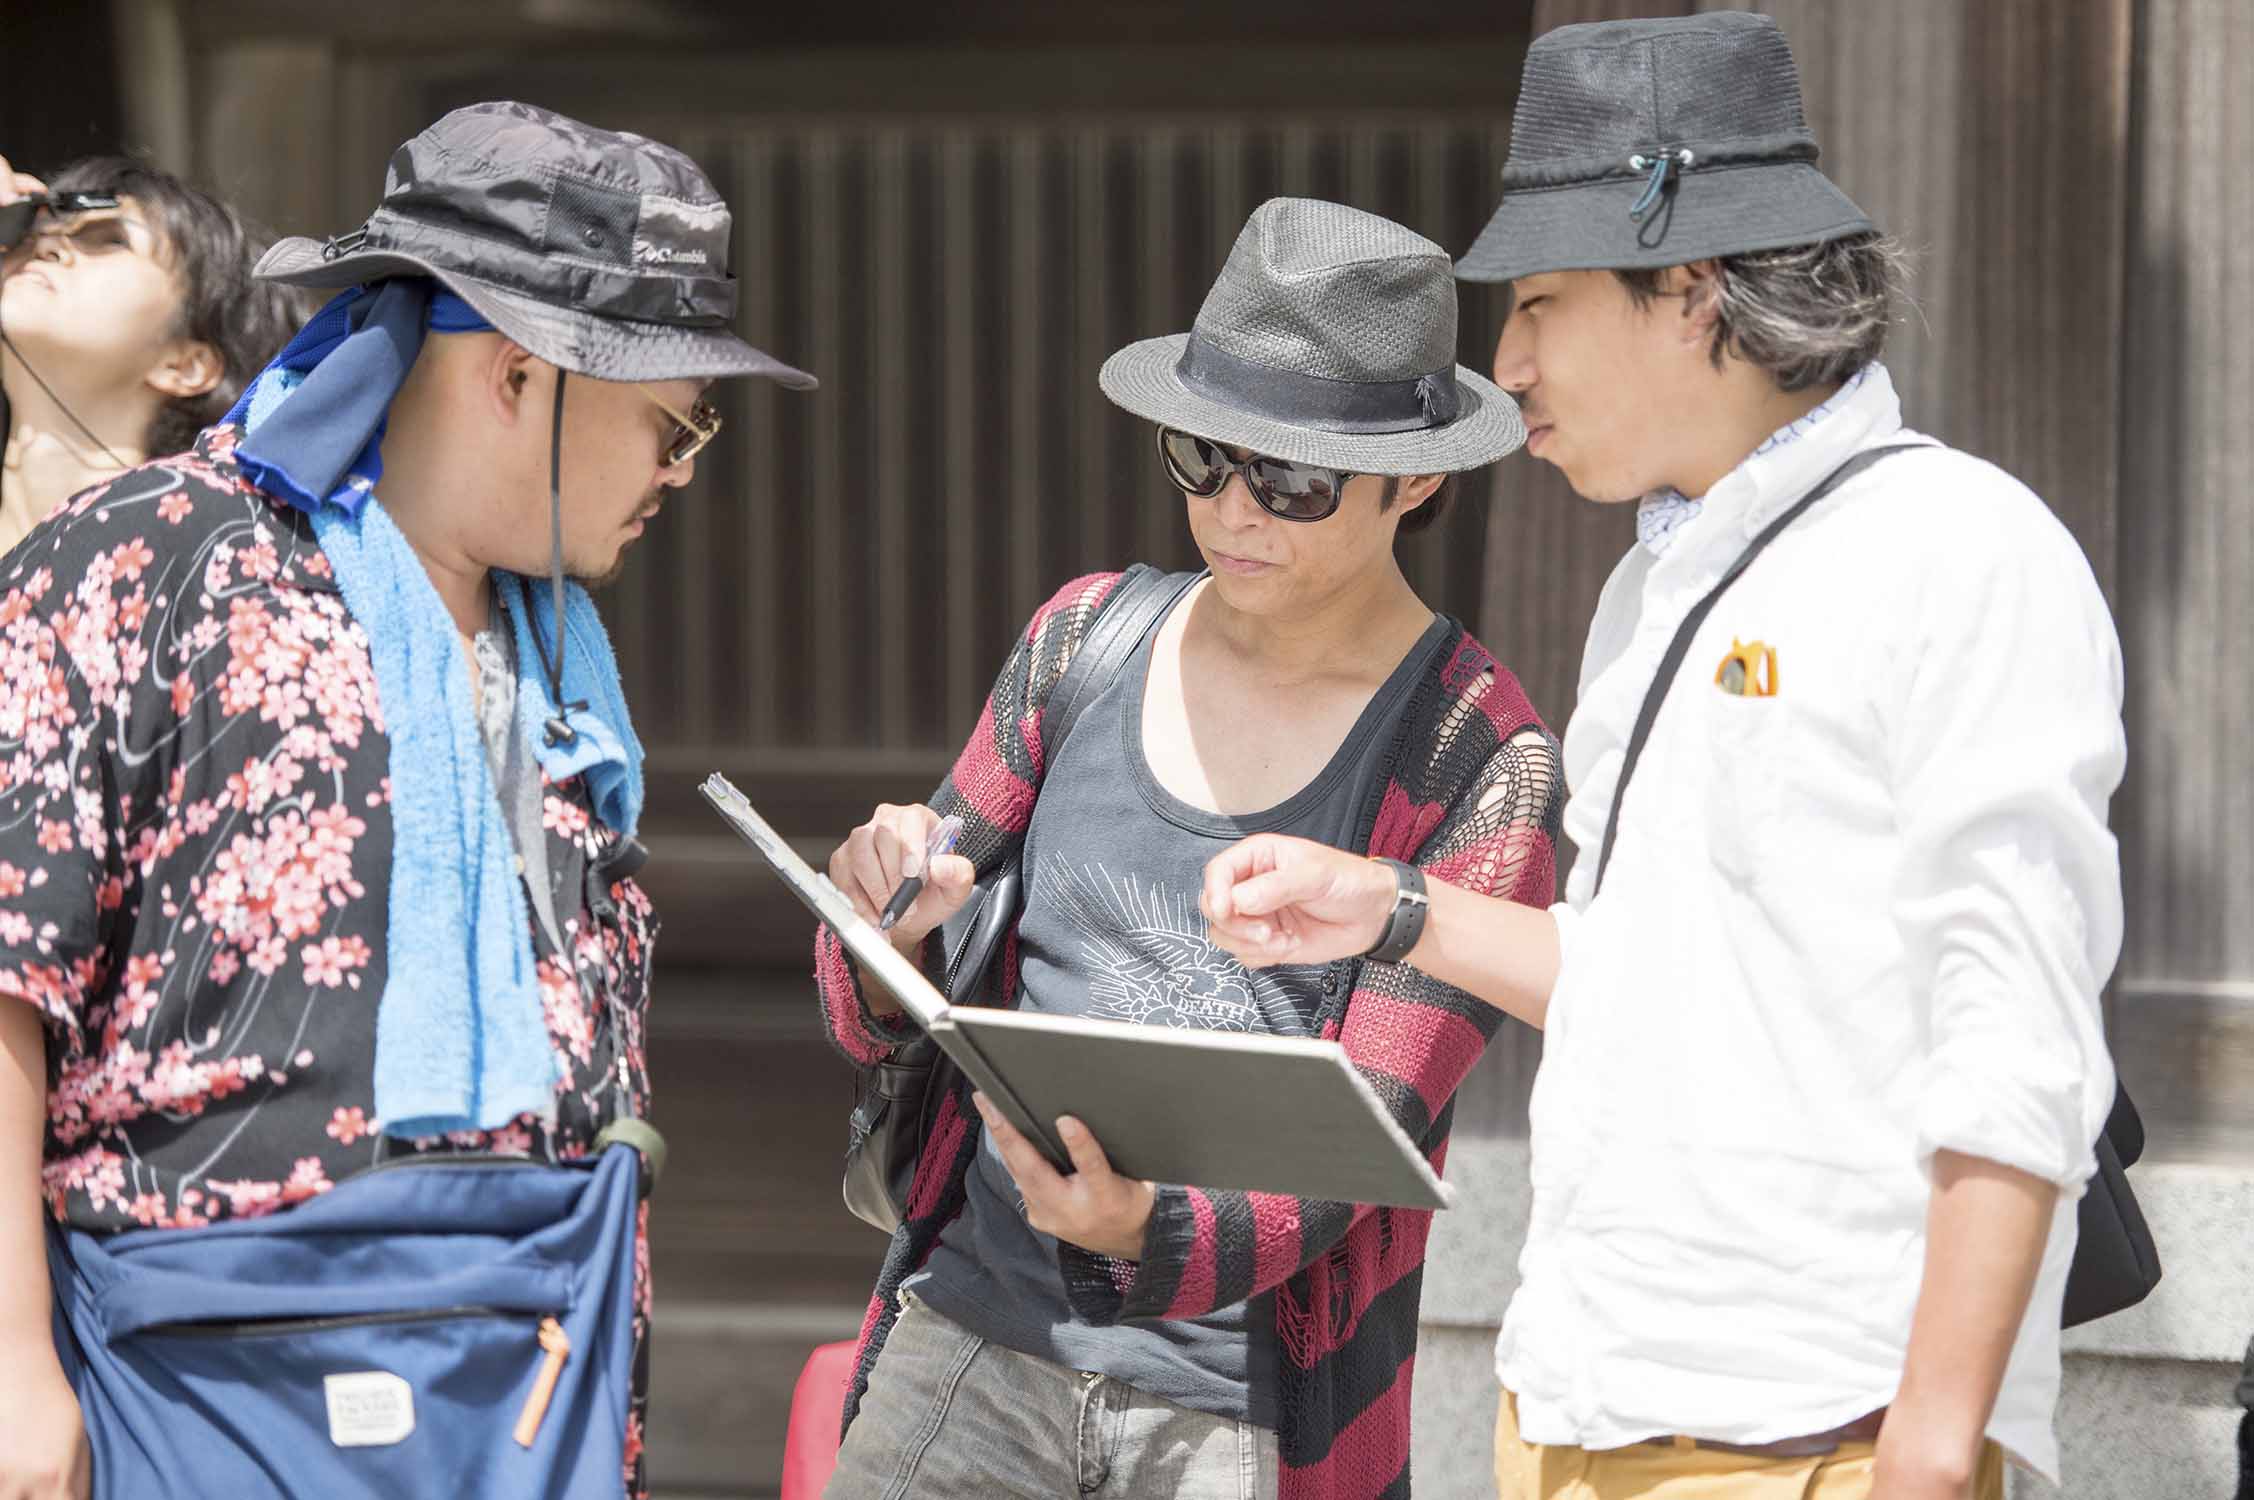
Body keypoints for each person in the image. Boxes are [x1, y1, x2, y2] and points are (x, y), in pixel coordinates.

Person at [1201, 14, 2124, 1500]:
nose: (1503, 365)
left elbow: (2016, 1032)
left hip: (1817, 1430)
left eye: (1542, 303)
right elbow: (1645, 974)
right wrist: (1392, 906)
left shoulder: (1957, 551)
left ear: (1688, 296)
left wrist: (1937, 1448)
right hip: (1575, 1404)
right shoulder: (1654, 584)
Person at [0, 101, 813, 1499]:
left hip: (531, 1352)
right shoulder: (138, 558)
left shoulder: (553, 648)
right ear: (514, 376)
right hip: (199, 1353)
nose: (682, 472)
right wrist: (13, 1370)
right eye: (678, 425)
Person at [812, 196, 1562, 1499]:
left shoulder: (1475, 760)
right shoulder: (1083, 638)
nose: (1232, 511)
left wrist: (1139, 1235)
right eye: (1201, 454)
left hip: (1242, 1408)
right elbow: (898, 997)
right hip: (974, 1339)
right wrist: (884, 924)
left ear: (1419, 477)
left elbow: (1362, 1137)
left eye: (1293, 478)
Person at [0, 152, 300, 553]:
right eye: (33, 230)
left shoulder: (215, 554)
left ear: (187, 365)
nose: (50, 244)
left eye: (110, 240)